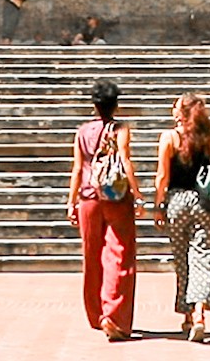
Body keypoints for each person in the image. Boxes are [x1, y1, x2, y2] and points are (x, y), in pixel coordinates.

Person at [67, 79, 145, 342]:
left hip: (88, 196)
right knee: (119, 254)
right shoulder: (119, 129)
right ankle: (113, 315)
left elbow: (77, 169)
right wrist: (137, 194)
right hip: (115, 195)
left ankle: (95, 313)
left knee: (91, 254)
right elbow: (125, 158)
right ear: (116, 104)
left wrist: (70, 202)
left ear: (94, 105)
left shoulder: (82, 132)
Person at [153, 93, 210, 343]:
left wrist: (158, 205)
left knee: (182, 259)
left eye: (174, 106)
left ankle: (186, 313)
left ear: (181, 113)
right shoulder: (207, 139)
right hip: (204, 203)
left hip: (177, 202)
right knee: (204, 258)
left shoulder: (169, 138)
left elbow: (162, 175)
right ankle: (198, 314)